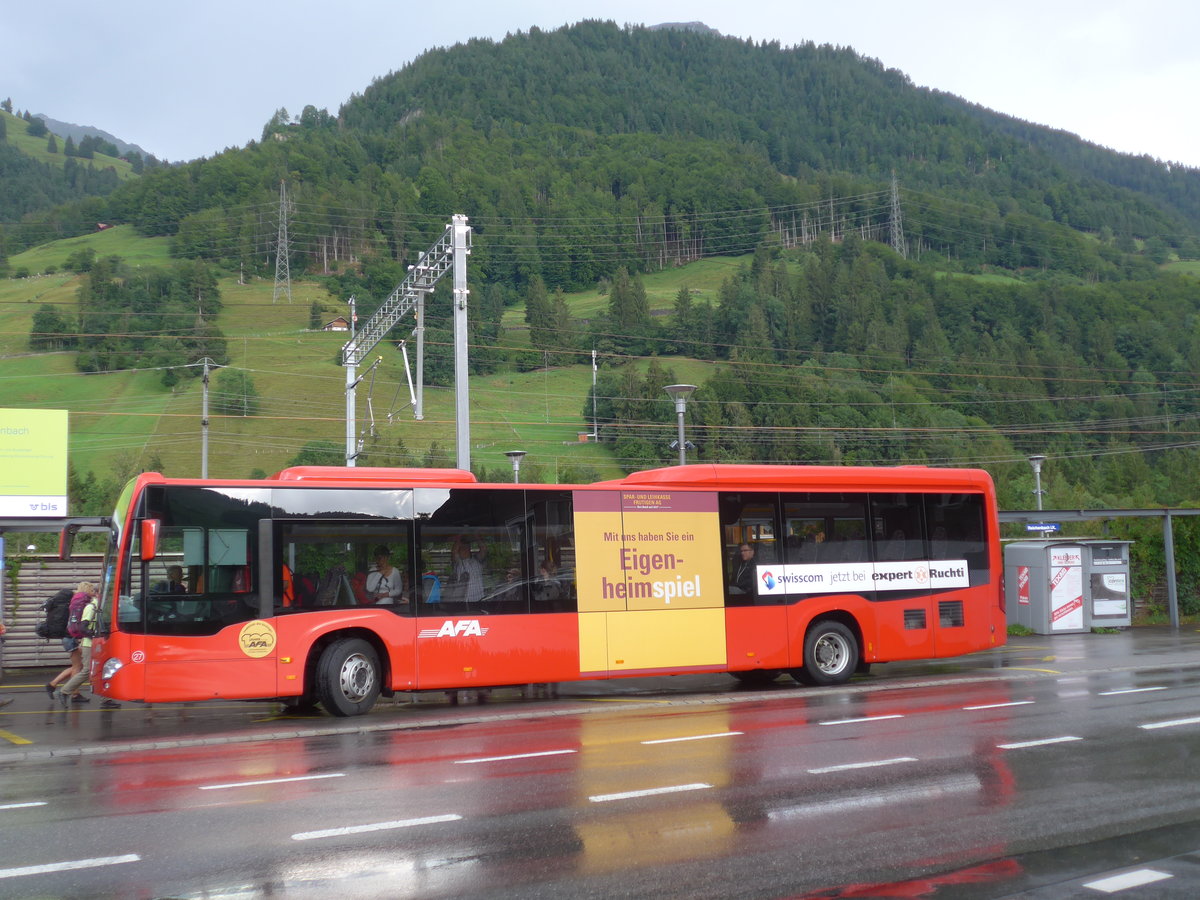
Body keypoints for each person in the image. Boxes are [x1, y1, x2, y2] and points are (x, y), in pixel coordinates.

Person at [45, 581, 92, 699]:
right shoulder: (81, 603)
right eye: (92, 589)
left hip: (68, 637)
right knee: (78, 667)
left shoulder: (74, 601)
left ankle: (54, 685)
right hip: (71, 638)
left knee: (79, 666)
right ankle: (73, 693)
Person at [55, 581, 99, 706]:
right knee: (85, 670)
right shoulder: (91, 607)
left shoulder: (96, 606)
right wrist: (95, 636)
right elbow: (83, 627)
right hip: (89, 644)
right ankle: (64, 691)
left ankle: (106, 699)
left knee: (95, 669)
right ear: (96, 593)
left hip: (94, 644)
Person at [452, 537, 486, 604]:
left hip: (479, 601)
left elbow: (484, 549)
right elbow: (454, 551)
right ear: (459, 550)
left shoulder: (477, 559)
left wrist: (476, 536)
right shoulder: (458, 562)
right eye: (462, 548)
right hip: (463, 604)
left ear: (470, 549)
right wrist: (460, 534)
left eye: (466, 547)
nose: (464, 550)